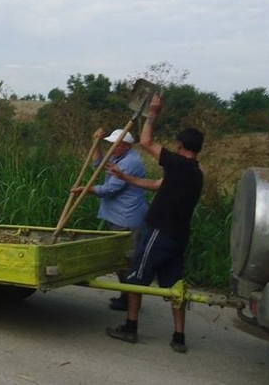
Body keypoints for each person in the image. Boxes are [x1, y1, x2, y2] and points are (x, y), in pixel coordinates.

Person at [104, 94, 204, 354]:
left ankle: (130, 327)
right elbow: (156, 185)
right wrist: (124, 176)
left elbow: (146, 141)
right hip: (178, 237)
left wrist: (153, 113)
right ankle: (179, 337)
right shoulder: (195, 173)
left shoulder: (178, 164)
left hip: (159, 233)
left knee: (136, 278)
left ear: (180, 144)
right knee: (175, 286)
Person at [70, 127, 148, 311]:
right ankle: (126, 296)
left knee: (127, 259)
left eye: (114, 145)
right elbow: (98, 164)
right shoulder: (117, 157)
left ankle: (131, 299)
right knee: (119, 258)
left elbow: (109, 189)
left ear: (125, 145)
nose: (111, 148)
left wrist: (85, 189)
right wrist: (96, 142)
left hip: (127, 218)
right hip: (117, 215)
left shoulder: (130, 162)